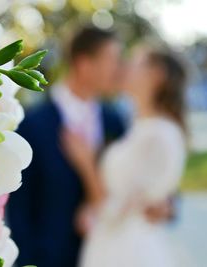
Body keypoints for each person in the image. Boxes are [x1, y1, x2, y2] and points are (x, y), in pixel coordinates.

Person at [7, 27, 126, 267]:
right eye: (112, 59)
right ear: (84, 64)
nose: (119, 70)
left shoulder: (116, 122)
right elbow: (19, 209)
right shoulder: (33, 124)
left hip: (110, 255)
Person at [62, 45, 187, 267]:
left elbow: (117, 209)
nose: (123, 67)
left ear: (156, 75)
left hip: (128, 251)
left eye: (133, 62)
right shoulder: (134, 125)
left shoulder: (160, 134)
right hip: (109, 246)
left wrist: (87, 165)